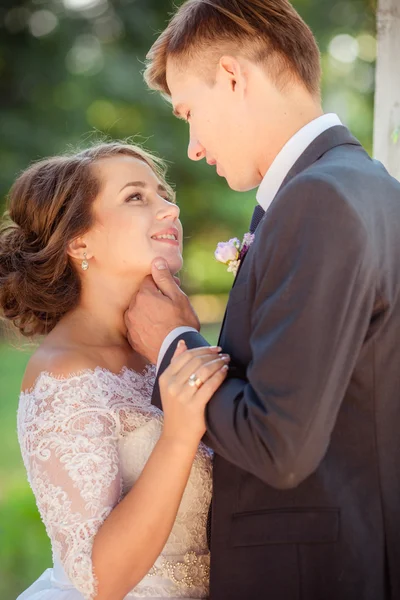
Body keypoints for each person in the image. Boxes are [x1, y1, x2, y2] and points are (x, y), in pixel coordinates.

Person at [125, 1, 400, 599]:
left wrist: (173, 343)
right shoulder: (375, 188)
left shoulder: (318, 200)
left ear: (233, 76)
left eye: (190, 112)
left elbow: (279, 444)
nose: (193, 146)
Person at [0, 142, 230, 599]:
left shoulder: (165, 341)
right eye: (136, 197)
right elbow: (98, 580)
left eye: (164, 194)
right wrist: (179, 436)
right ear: (80, 242)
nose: (170, 207)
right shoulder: (64, 372)